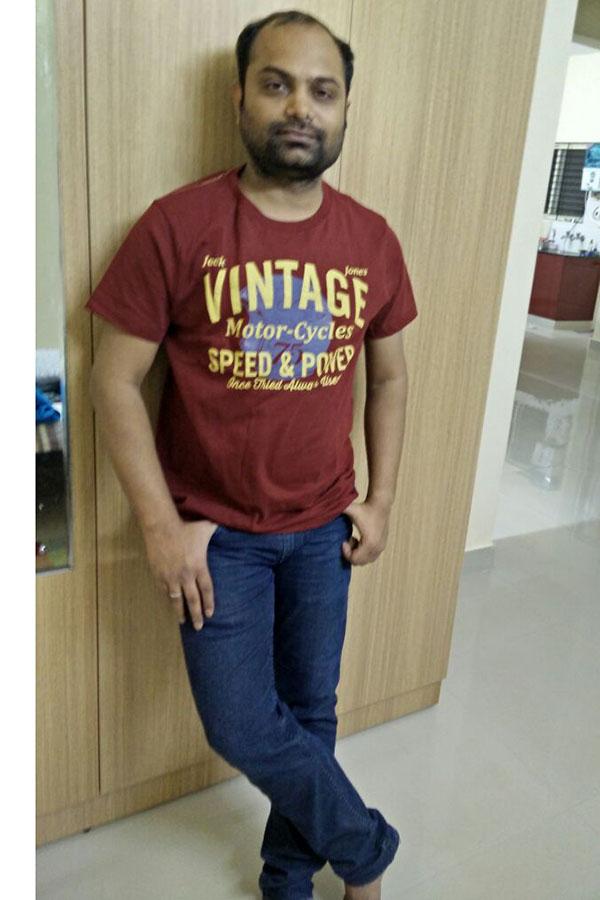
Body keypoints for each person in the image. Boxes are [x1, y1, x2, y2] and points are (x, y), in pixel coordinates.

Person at [86, 10, 418, 900]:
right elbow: (112, 380)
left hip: (324, 528)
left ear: (344, 111)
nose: (300, 108)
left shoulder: (372, 240)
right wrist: (161, 526)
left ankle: (286, 878)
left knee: (311, 711)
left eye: (323, 91)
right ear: (240, 97)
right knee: (239, 724)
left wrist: (382, 499)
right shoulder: (177, 225)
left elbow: (389, 378)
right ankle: (366, 847)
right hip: (216, 538)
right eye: (277, 85)